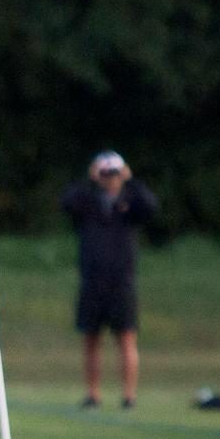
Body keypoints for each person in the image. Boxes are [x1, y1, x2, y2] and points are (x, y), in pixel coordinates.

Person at [60, 150, 159, 410]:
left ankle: (129, 395)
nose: (109, 179)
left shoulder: (130, 203)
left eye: (114, 174)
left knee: (126, 338)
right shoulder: (88, 203)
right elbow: (67, 203)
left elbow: (150, 206)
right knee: (91, 339)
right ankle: (93, 393)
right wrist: (88, 180)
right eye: (105, 174)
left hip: (121, 282)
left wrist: (132, 181)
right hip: (92, 281)